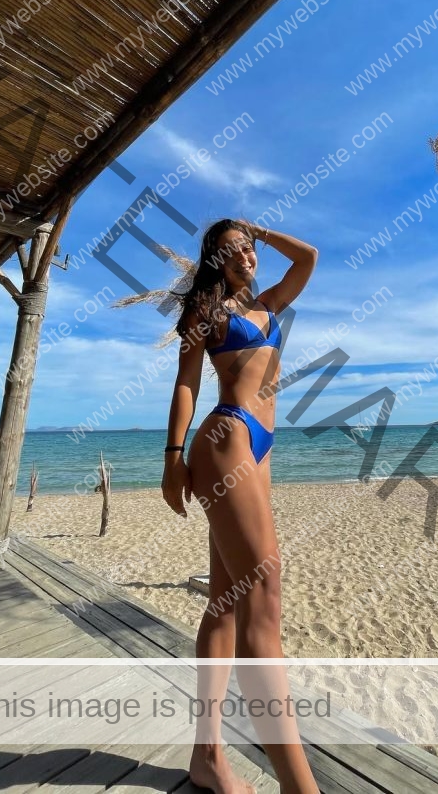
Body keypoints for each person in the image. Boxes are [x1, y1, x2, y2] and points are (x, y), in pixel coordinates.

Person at [162, 218, 320, 794]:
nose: (243, 255)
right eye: (228, 251)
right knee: (264, 597)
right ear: (215, 263)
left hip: (260, 448)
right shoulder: (209, 314)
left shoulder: (272, 306)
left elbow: (308, 258)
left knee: (225, 605)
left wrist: (262, 230)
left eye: (247, 248)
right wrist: (172, 456)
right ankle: (301, 787)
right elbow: (186, 382)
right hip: (226, 437)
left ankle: (207, 758)